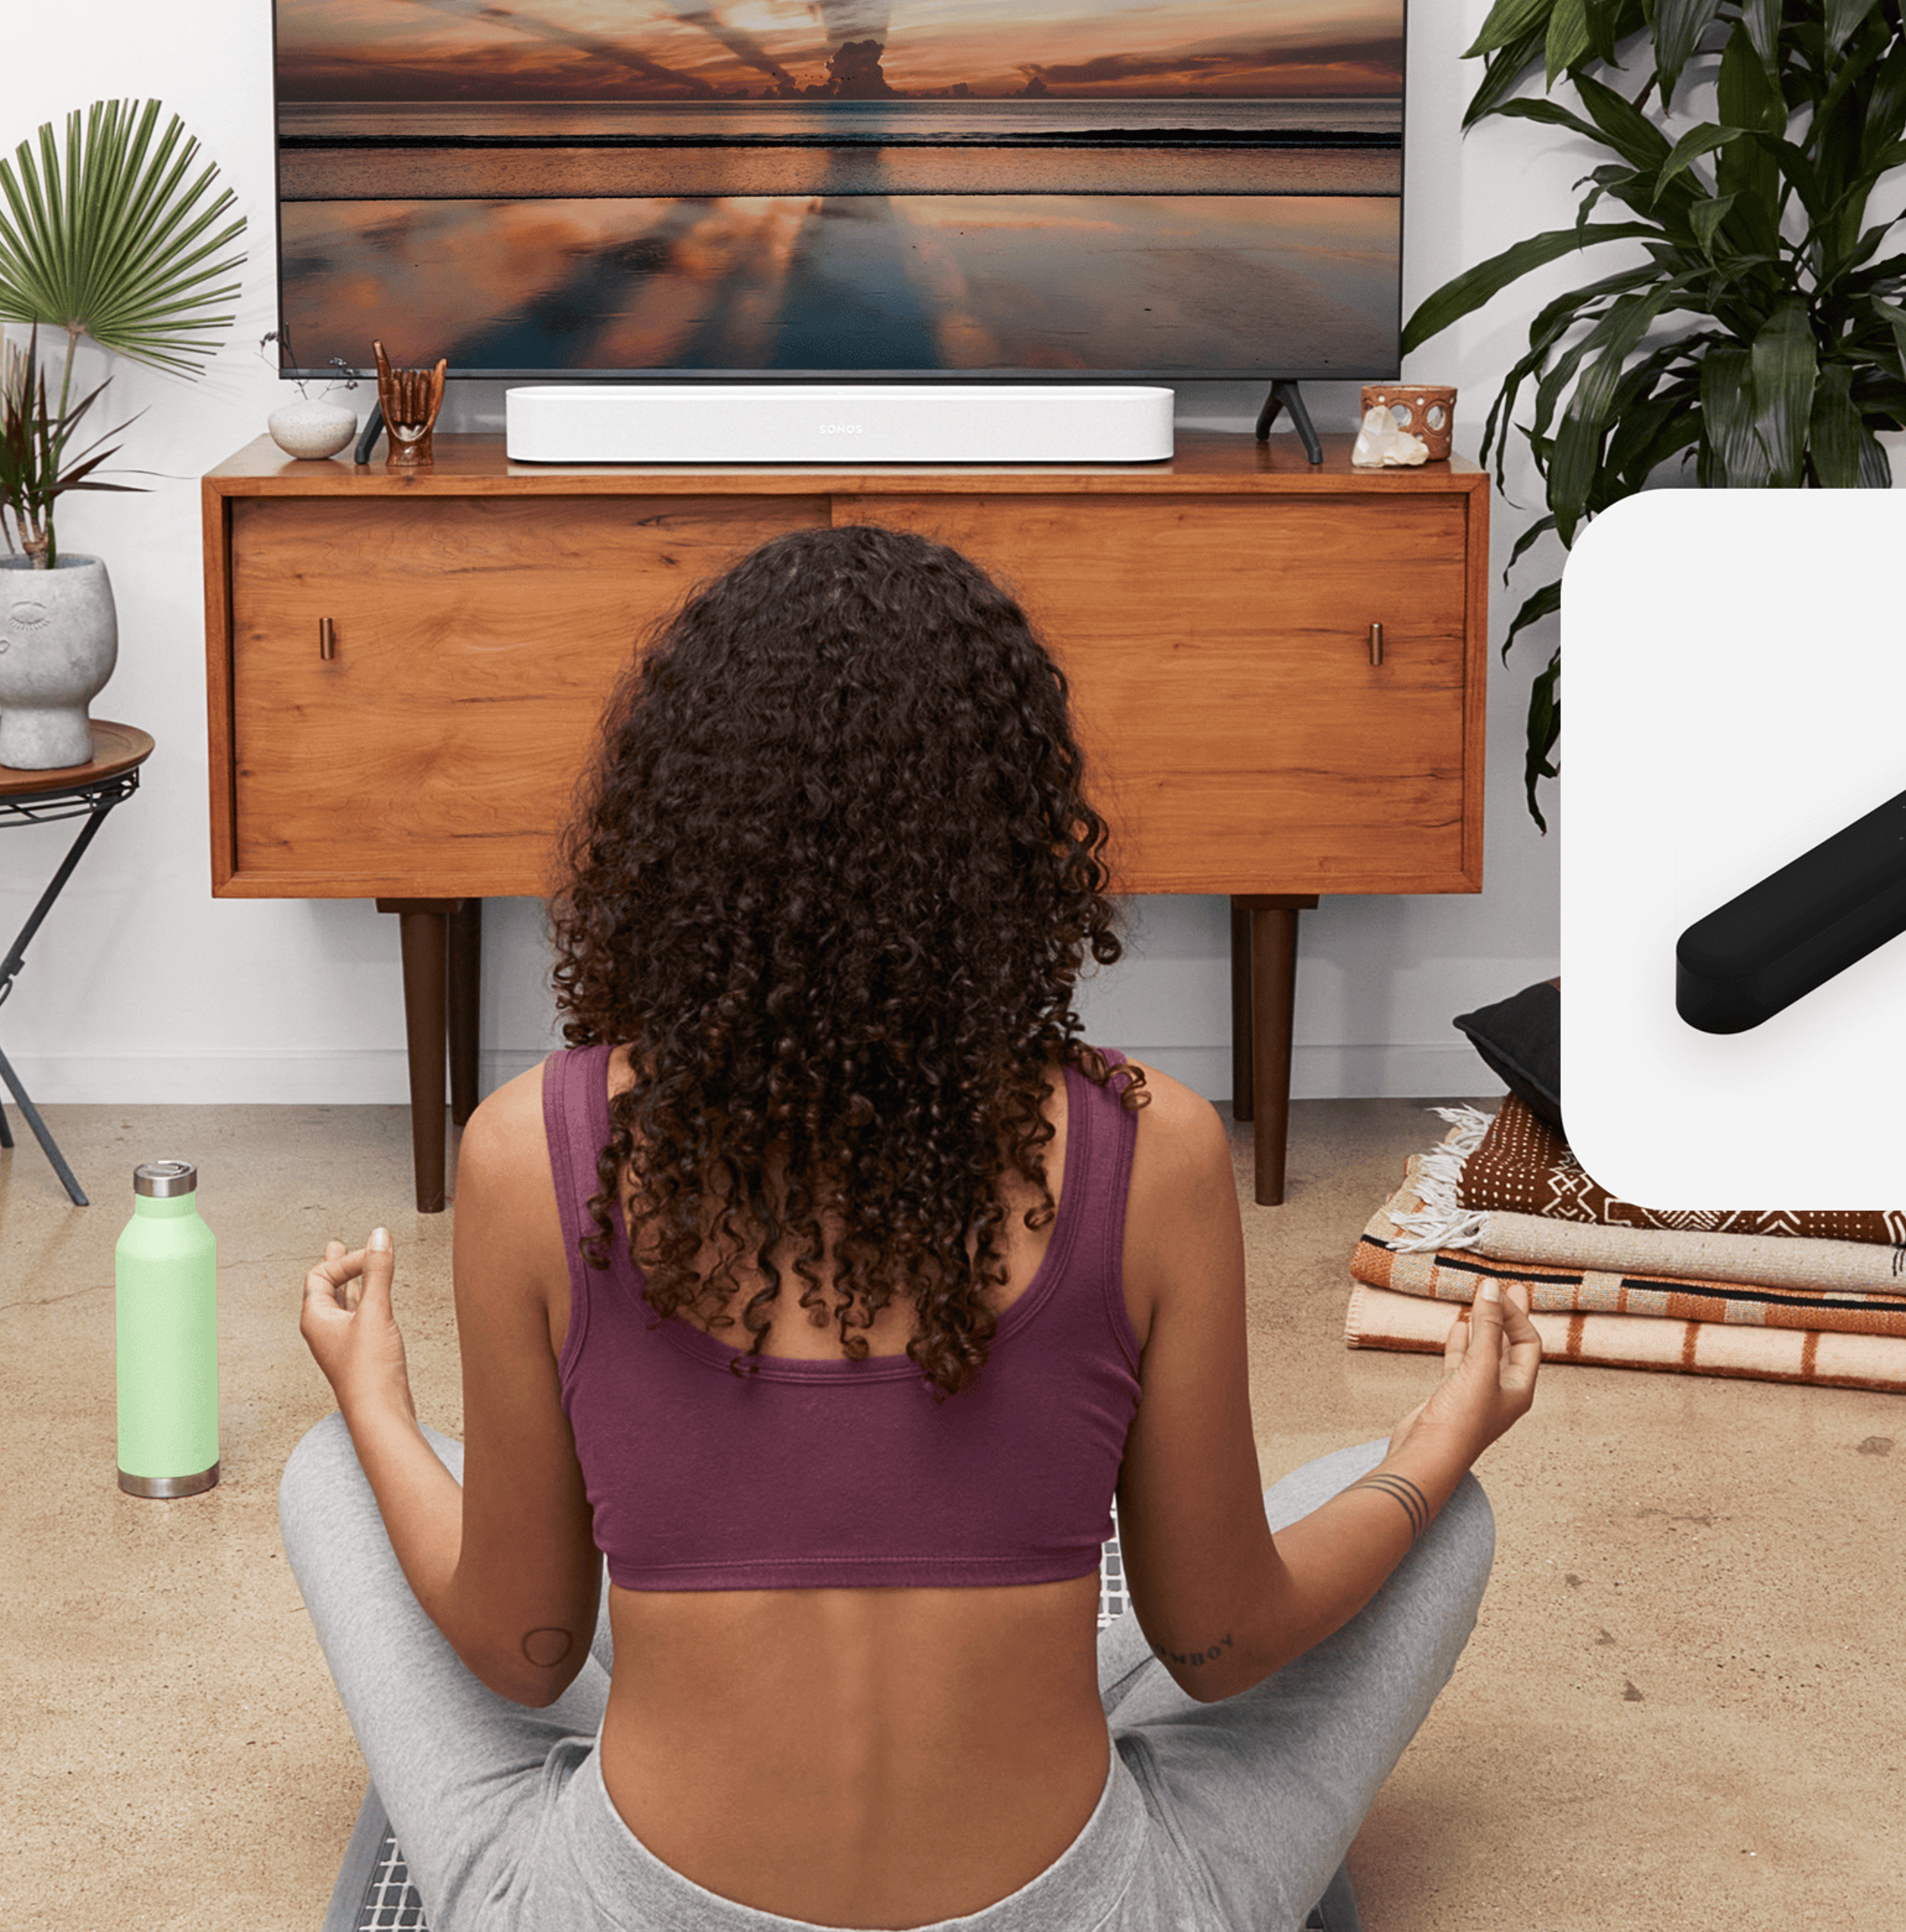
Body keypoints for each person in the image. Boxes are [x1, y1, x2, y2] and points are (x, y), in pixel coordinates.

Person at [280, 525, 1541, 1932]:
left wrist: (374, 1394)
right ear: (1013, 839)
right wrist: (1442, 1443)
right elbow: (1221, 1640)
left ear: (677, 834)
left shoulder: (529, 1152)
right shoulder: (1157, 1149)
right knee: (1422, 1517)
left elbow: (524, 1650)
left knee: (338, 1478)